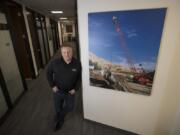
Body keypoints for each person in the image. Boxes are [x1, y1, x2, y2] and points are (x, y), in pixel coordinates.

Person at [46, 44, 81, 131]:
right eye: (64, 52)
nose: (66, 54)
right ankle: (59, 121)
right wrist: (52, 86)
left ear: (72, 52)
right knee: (58, 107)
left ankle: (58, 116)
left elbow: (79, 78)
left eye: (68, 52)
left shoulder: (77, 63)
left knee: (70, 107)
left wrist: (75, 89)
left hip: (70, 91)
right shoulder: (55, 63)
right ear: (61, 53)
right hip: (58, 90)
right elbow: (48, 73)